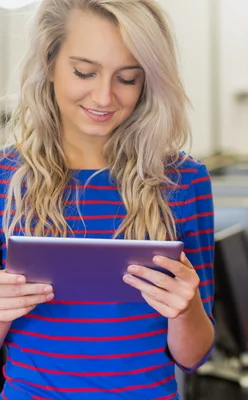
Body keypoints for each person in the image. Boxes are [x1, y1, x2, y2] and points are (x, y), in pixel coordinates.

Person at [0, 1, 214, 398]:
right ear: (49, 63)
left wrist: (186, 308)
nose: (104, 97)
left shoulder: (184, 181)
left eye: (128, 79)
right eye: (84, 72)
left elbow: (194, 356)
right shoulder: (5, 178)